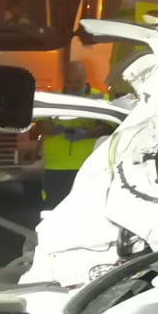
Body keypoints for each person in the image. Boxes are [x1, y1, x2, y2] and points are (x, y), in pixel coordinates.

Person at [36, 63, 112, 209]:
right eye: (69, 81)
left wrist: (86, 134)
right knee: (53, 207)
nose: (72, 85)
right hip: (56, 166)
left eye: (76, 81)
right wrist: (55, 129)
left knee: (86, 208)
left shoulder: (100, 98)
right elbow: (40, 125)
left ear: (85, 78)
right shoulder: (52, 98)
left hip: (88, 165)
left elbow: (108, 127)